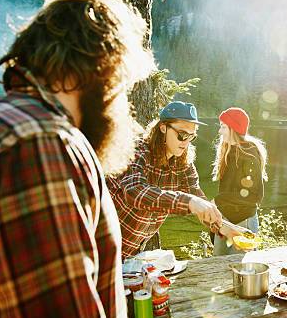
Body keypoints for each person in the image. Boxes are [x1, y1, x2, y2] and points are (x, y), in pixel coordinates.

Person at [0, 0, 154, 318]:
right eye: (118, 85)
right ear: (93, 70)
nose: (120, 103)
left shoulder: (4, 127)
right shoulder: (38, 145)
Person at [107, 101, 227, 258]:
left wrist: (224, 227)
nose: (186, 142)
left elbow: (199, 200)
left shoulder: (183, 163)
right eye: (182, 134)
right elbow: (135, 192)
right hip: (98, 243)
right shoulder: (137, 150)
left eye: (191, 136)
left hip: (128, 252)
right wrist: (189, 202)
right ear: (163, 127)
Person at [212, 107, 267, 255]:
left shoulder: (249, 155)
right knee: (217, 265)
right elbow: (226, 189)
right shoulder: (228, 151)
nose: (219, 131)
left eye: (223, 127)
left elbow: (254, 196)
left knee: (241, 270)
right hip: (224, 219)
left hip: (244, 220)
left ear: (233, 129)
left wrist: (218, 200)